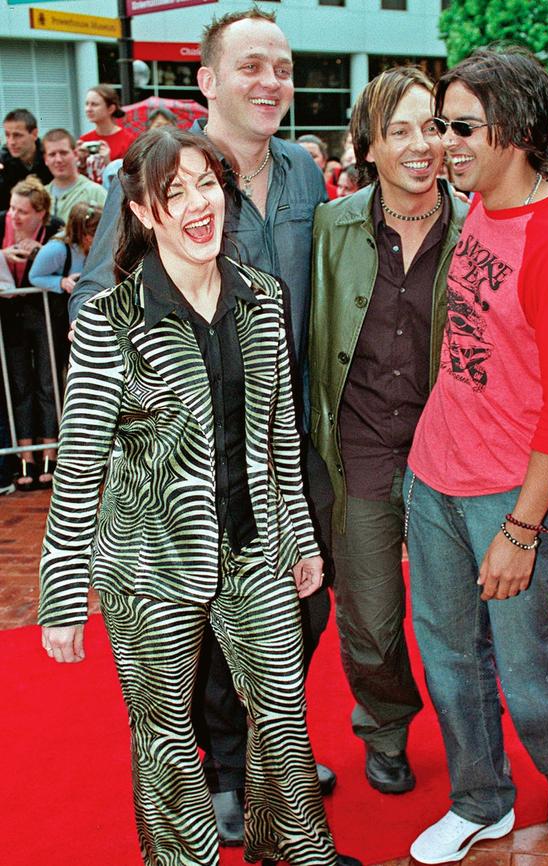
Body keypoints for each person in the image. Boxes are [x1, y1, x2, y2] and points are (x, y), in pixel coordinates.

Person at [39, 127, 359, 866]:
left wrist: (303, 542)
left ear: (226, 191)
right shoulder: (108, 322)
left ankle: (295, 848)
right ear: (145, 212)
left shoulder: (264, 301)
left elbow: (279, 438)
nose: (196, 203)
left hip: (256, 548)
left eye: (206, 184)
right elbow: (80, 466)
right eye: (173, 192)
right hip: (149, 566)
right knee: (163, 733)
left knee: (281, 713)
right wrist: (60, 595)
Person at [404, 46, 548, 864]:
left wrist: (522, 529)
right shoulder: (479, 206)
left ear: (516, 132)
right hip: (432, 474)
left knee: (525, 659)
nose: (446, 142)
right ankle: (481, 800)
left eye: (461, 127)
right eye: (444, 124)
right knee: (449, 657)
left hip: (507, 491)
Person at [310, 66, 468, 796]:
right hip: (362, 449)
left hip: (452, 454)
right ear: (367, 145)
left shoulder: (478, 227)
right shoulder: (331, 227)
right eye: (398, 129)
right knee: (371, 617)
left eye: (431, 126)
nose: (420, 144)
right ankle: (384, 728)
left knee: (459, 620)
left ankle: (476, 744)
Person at [0, 177, 63, 490]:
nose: (15, 216)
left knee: (48, 382)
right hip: (11, 316)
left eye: (22, 211)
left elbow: (67, 263)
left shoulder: (55, 229)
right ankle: (26, 455)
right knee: (19, 385)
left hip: (46, 315)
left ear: (41, 213)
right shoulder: (2, 224)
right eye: (13, 209)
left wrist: (43, 253)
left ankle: (51, 452)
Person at [29, 202, 103, 415]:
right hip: (56, 317)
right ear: (84, 233)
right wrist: (61, 282)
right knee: (56, 374)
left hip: (85, 316)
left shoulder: (98, 250)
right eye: (94, 233)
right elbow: (35, 276)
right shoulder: (57, 249)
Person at [42, 128, 107, 222]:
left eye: (63, 153)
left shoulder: (95, 193)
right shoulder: (41, 196)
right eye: (52, 155)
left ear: (75, 154)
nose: (58, 160)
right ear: (45, 159)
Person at [0, 109, 52, 211]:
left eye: (17, 135)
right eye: (7, 135)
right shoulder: (2, 163)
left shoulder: (50, 156)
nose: (11, 142)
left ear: (34, 134)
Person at [298, 134, 338, 199]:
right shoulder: (284, 191)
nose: (306, 160)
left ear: (324, 161)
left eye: (313, 156)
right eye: (301, 155)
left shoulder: (335, 193)